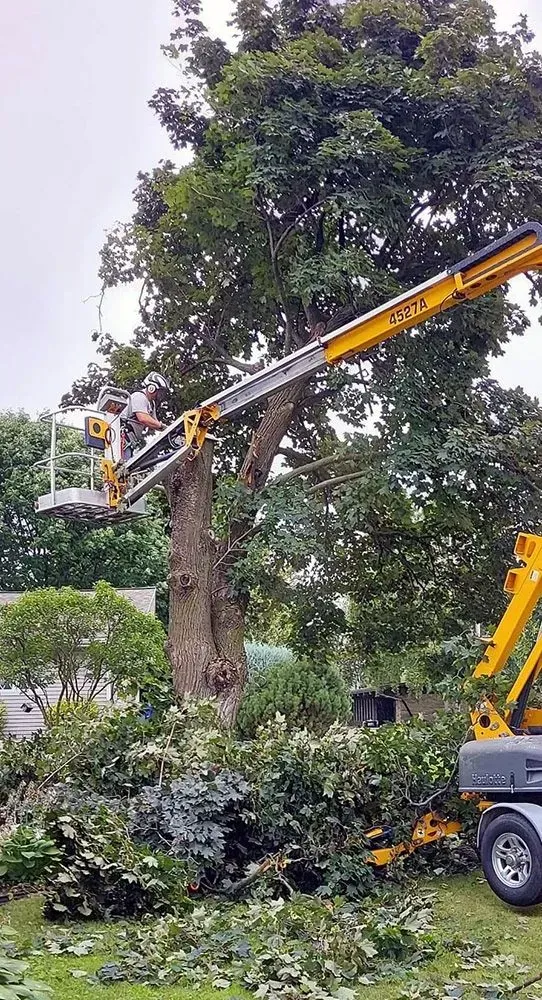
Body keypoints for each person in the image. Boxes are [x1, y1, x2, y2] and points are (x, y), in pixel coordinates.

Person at [120, 372, 171, 459]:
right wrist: (163, 427)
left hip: (131, 440)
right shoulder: (139, 397)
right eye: (160, 392)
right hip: (123, 437)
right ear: (152, 388)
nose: (161, 395)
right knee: (122, 467)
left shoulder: (151, 404)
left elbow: (154, 423)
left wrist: (170, 431)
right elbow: (143, 418)